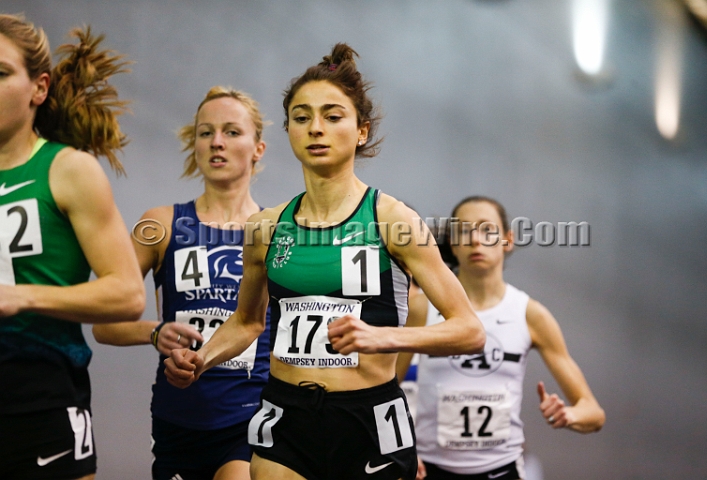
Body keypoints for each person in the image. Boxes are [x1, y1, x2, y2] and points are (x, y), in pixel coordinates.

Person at [163, 43, 486, 480]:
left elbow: (469, 330)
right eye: (301, 118)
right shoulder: (265, 227)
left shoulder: (391, 219)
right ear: (289, 131)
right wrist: (203, 359)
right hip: (286, 417)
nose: (316, 128)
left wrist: (382, 338)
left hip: (368, 419)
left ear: (361, 131)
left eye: (332, 117)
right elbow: (246, 323)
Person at [92, 86, 272, 480]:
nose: (217, 142)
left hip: (251, 415)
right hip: (180, 418)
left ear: (258, 148)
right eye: (205, 132)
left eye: (232, 132)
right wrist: (155, 333)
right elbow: (103, 324)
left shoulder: (276, 230)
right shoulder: (161, 224)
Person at [0, 14, 145, 480]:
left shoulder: (67, 170)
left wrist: (22, 296)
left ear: (39, 88)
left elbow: (127, 294)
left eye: (0, 74)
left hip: (37, 393)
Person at [397, 196, 606, 480]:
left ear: (507, 239)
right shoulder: (423, 308)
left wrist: (569, 416)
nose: (475, 239)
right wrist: (400, 447)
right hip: (427, 469)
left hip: (502, 470)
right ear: (453, 244)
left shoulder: (530, 315)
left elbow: (593, 413)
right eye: (463, 231)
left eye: (487, 229)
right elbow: (384, 389)